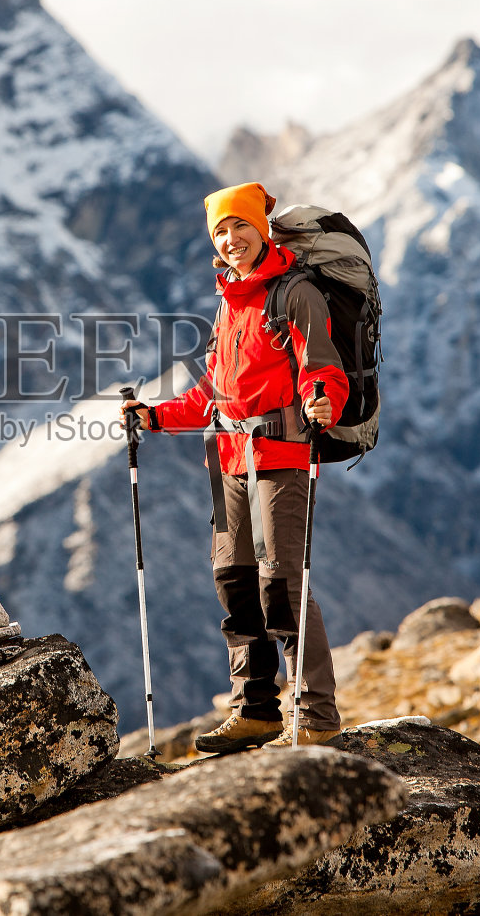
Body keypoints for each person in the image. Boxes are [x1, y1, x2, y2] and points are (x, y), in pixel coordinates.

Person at [122, 181, 347, 752]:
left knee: (282, 584)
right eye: (220, 231)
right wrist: (155, 416)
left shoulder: (294, 293)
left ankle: (316, 715)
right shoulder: (230, 301)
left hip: (282, 456)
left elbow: (323, 369)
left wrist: (322, 400)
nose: (231, 239)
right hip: (229, 460)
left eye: (240, 225)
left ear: (261, 227)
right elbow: (214, 394)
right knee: (235, 582)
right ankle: (255, 710)